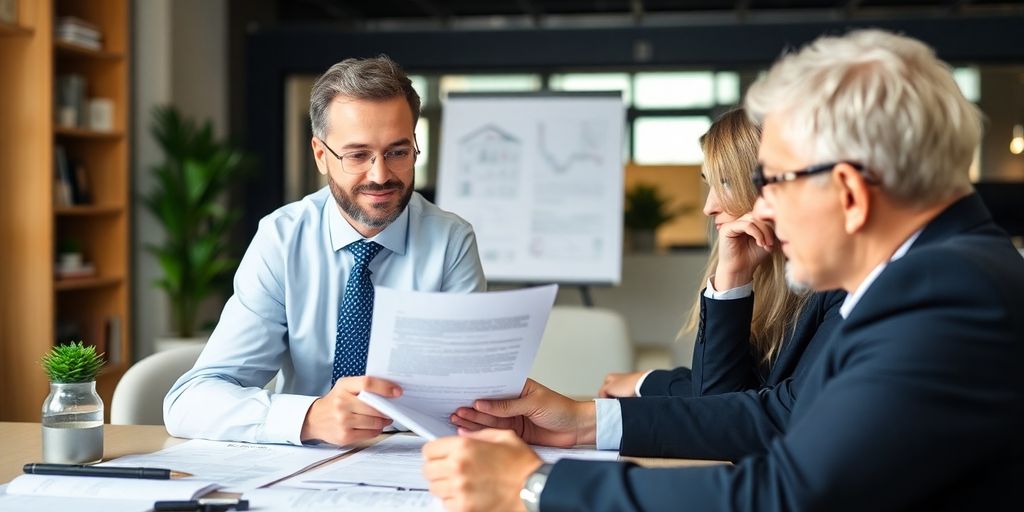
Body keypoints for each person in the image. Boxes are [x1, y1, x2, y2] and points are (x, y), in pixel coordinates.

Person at [422, 29, 1024, 511]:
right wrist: (582, 426)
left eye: (775, 183)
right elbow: (781, 413)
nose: (759, 209)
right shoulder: (932, 271)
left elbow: (788, 493)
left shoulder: (945, 292)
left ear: (848, 192)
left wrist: (533, 488)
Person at [164, 56, 486, 446]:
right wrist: (310, 417)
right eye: (357, 155)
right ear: (320, 155)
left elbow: (467, 396)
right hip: (302, 462)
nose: (380, 174)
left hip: (417, 459)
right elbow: (189, 401)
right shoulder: (282, 239)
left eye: (398, 152)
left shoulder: (451, 241)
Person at [599, 108, 845, 400]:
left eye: (726, 182)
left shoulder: (836, 284)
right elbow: (722, 400)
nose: (709, 206)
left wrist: (646, 384)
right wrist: (733, 278)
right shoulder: (761, 272)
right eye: (710, 184)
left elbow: (760, 411)